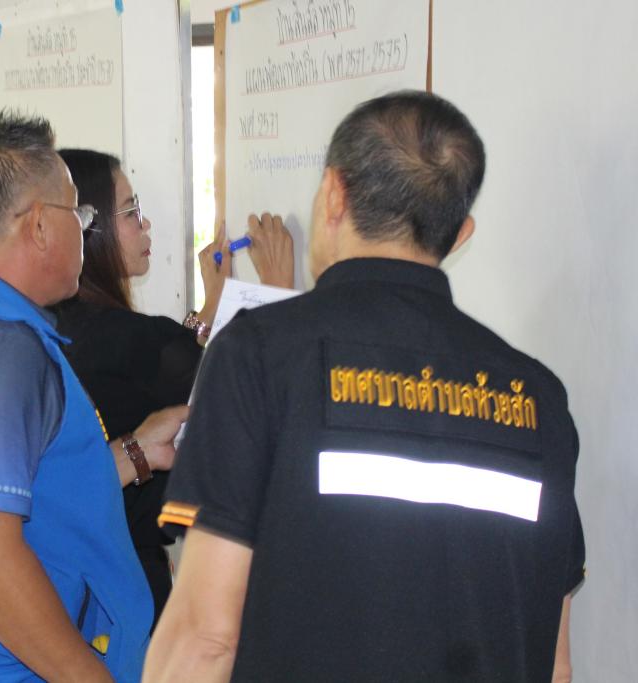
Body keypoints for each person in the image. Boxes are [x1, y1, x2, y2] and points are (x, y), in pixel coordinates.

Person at [145, 91, 585, 682]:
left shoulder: (259, 356)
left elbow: (204, 638)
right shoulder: (540, 398)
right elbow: (556, 664)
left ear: (333, 193)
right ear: (460, 234)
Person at [0, 112, 187, 682]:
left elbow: (18, 488)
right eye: (79, 213)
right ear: (41, 225)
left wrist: (135, 452)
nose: (84, 229)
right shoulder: (0, 345)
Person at [51, 148, 294, 624]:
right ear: (88, 228)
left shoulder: (63, 322)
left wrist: (211, 307)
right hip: (126, 586)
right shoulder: (125, 338)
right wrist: (276, 292)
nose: (145, 224)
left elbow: (174, 366)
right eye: (131, 212)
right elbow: (234, 394)